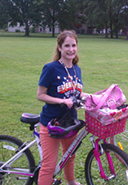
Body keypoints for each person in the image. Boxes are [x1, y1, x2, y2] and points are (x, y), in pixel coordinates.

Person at [37, 30, 87, 185]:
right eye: (67, 46)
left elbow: (75, 92)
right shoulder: (50, 68)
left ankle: (71, 182)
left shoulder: (76, 69)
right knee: (49, 165)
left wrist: (96, 95)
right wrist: (61, 101)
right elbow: (41, 95)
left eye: (73, 45)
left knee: (70, 155)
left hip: (70, 121)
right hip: (51, 123)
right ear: (59, 47)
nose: (71, 49)